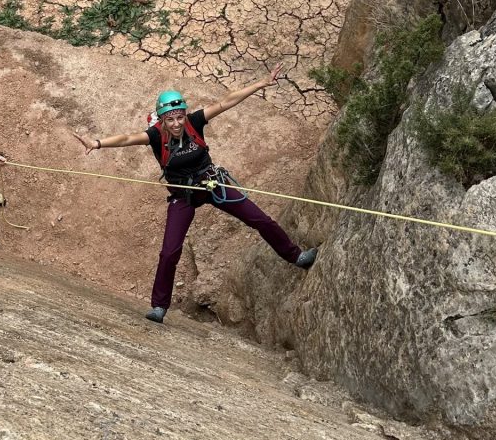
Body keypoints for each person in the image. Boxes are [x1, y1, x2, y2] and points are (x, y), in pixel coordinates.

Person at [73, 66, 317, 323]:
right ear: (162, 120)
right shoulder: (156, 136)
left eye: (180, 117)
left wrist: (260, 84)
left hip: (212, 183)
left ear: (184, 115)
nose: (177, 124)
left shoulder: (194, 122)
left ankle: (296, 256)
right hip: (184, 195)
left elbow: (226, 102)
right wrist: (97, 143)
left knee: (259, 219)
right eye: (171, 119)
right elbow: (126, 138)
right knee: (169, 251)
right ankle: (159, 306)